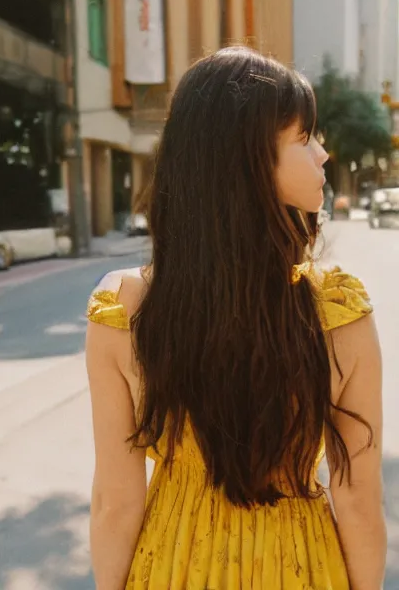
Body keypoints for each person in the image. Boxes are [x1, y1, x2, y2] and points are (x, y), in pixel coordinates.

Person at [85, 47, 386, 590]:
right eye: (304, 138)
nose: (323, 154)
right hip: (302, 566)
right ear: (245, 160)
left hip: (172, 565)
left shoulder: (123, 312)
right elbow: (359, 503)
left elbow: (115, 502)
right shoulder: (337, 313)